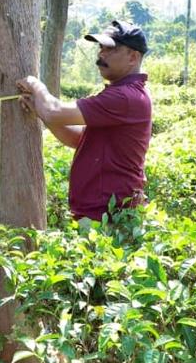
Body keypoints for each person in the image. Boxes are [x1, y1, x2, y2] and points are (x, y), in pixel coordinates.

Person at [17, 20, 153, 222]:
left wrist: (35, 85)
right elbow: (79, 139)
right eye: (101, 48)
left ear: (133, 57)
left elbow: (55, 111)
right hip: (100, 213)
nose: (101, 54)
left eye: (110, 49)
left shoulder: (125, 97)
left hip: (109, 216)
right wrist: (41, 111)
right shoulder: (122, 94)